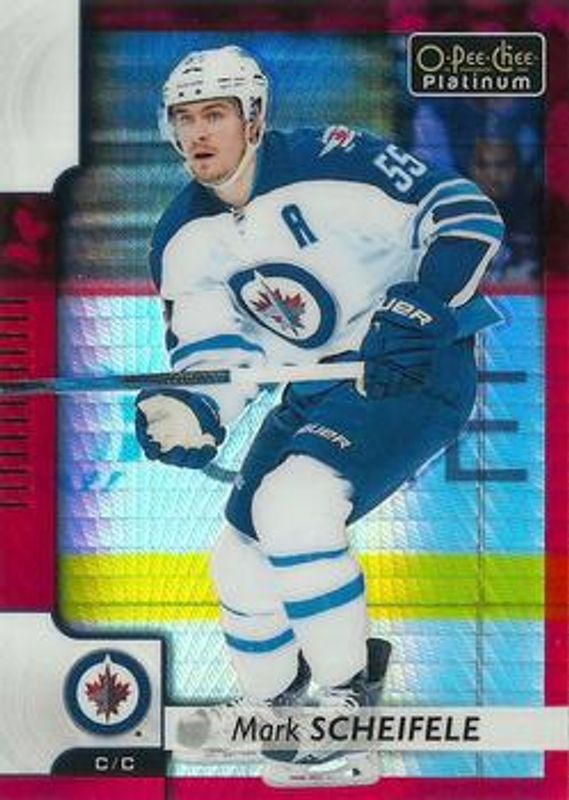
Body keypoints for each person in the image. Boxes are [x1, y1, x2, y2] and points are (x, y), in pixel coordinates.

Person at [135, 45, 504, 786]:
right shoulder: (180, 238)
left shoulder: (331, 159)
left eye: (215, 114)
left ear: (254, 118)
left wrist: (423, 302)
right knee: (238, 558)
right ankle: (276, 712)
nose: (198, 133)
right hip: (315, 383)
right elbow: (220, 352)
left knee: (294, 505)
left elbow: (467, 213)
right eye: (185, 118)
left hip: (414, 367)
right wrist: (193, 408)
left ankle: (347, 706)